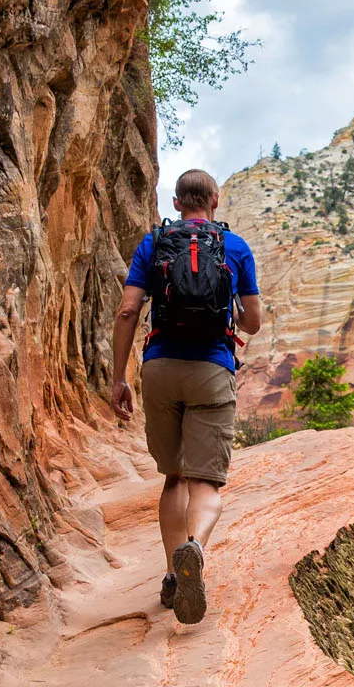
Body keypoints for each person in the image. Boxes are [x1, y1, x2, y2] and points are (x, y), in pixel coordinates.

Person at [110, 168, 262, 624]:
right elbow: (253, 322)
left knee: (173, 477)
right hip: (212, 369)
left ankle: (174, 574)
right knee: (207, 482)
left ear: (176, 203)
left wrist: (119, 377)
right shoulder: (234, 248)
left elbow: (127, 311)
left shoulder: (153, 243)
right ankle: (195, 546)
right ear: (214, 200)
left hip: (159, 368)